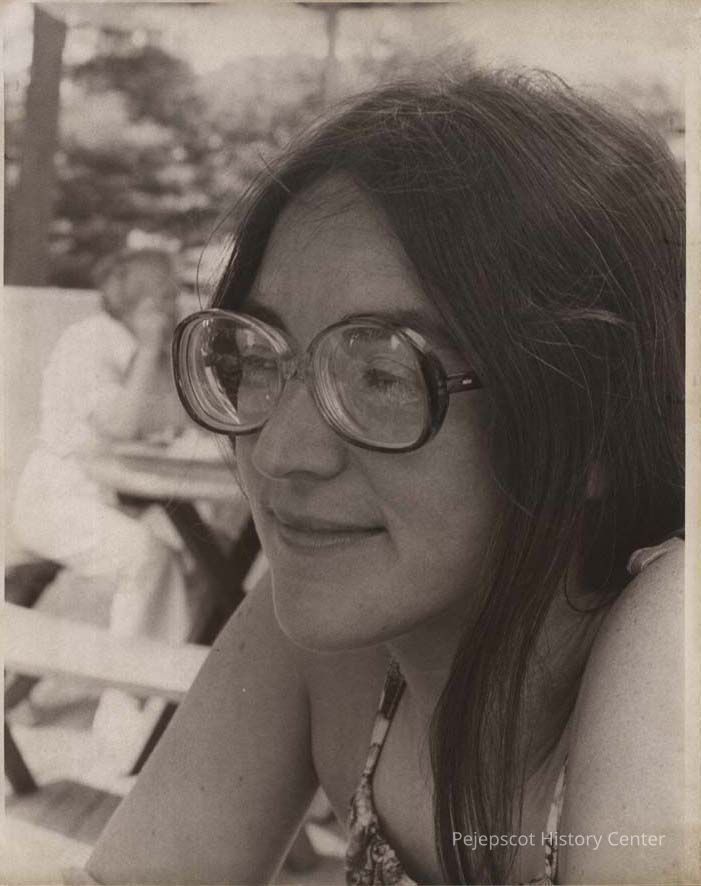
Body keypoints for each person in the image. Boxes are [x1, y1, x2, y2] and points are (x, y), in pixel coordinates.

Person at [81, 70, 685, 884]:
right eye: (255, 355)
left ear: (592, 432)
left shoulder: (677, 638)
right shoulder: (334, 631)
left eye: (382, 374)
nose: (276, 452)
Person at [13, 248, 197, 758]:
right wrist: (152, 347)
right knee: (147, 557)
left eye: (174, 297)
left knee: (196, 552)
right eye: (162, 298)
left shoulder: (138, 347)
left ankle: (153, 706)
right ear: (134, 302)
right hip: (57, 501)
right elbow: (121, 424)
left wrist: (160, 353)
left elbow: (173, 419)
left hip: (109, 498)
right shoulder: (91, 340)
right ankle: (128, 710)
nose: (173, 307)